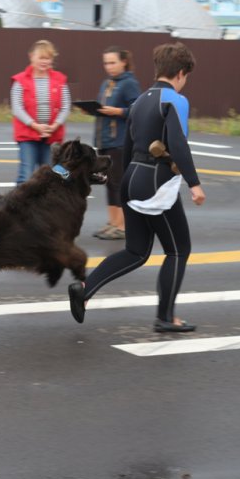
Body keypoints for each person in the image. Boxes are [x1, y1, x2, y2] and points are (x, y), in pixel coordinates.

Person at [68, 42, 206, 332]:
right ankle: (166, 318)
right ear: (181, 73)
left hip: (132, 178)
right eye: (186, 77)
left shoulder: (141, 100)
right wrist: (194, 184)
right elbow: (178, 144)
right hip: (156, 183)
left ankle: (84, 289)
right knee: (178, 250)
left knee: (136, 251)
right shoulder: (175, 100)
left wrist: (125, 186)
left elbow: (128, 145)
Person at [91, 46, 141, 240]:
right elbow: (103, 108)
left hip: (119, 141)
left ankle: (122, 225)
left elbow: (137, 108)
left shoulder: (129, 83)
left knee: (118, 183)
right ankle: (112, 222)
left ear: (124, 62)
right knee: (109, 182)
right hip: (104, 139)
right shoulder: (107, 83)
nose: (109, 66)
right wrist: (92, 109)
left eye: (113, 62)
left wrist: (118, 112)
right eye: (106, 63)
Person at [10, 39, 71, 184]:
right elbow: (17, 108)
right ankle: (19, 205)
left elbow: (65, 106)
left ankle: (46, 205)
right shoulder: (20, 80)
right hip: (27, 135)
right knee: (26, 174)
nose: (44, 61)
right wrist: (34, 125)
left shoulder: (60, 79)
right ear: (31, 57)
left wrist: (55, 125)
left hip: (52, 135)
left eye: (48, 58)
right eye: (41, 57)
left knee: (51, 175)